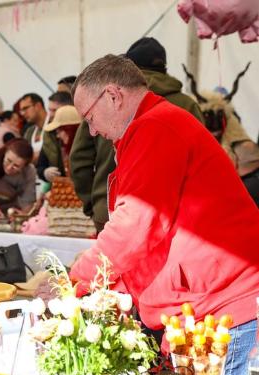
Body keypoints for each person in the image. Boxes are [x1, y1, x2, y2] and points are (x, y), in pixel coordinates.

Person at [69, 54, 259, 375]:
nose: (92, 129)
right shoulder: (151, 127)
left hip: (223, 310)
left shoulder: (155, 127)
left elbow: (135, 227)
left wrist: (74, 281)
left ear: (112, 95)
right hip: (207, 308)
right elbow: (153, 232)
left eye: (89, 117)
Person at [70, 37, 203, 232]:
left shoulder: (112, 104)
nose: (94, 130)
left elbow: (79, 160)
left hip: (125, 214)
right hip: (175, 218)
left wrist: (95, 202)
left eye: (91, 120)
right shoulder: (186, 105)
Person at [37, 91, 73, 183]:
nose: (51, 114)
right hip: (61, 188)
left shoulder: (85, 132)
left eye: (55, 110)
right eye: (49, 110)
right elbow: (40, 166)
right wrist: (45, 173)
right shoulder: (49, 133)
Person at [41, 105, 81, 179]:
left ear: (71, 130)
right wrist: (45, 172)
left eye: (60, 131)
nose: (57, 136)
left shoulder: (89, 148)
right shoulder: (55, 142)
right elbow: (40, 166)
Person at [18, 93, 47, 159]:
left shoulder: (54, 126)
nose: (23, 113)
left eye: (25, 108)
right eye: (21, 110)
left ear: (38, 106)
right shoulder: (29, 131)